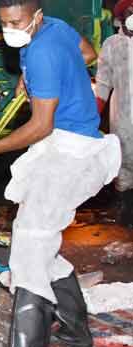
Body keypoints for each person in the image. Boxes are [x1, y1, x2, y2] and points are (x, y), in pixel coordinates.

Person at [0, 0, 122, 347]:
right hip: (69, 145)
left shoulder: (41, 51)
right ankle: (74, 333)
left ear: (35, 16)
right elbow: (88, 54)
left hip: (70, 152)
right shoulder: (55, 27)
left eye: (16, 22)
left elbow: (40, 125)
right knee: (35, 237)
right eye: (4, 23)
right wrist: (37, 81)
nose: (9, 31)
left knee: (30, 251)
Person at [96, 0, 133, 228]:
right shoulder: (112, 45)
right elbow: (102, 84)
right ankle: (127, 214)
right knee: (125, 166)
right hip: (123, 121)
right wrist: (91, 118)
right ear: (121, 18)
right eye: (130, 12)